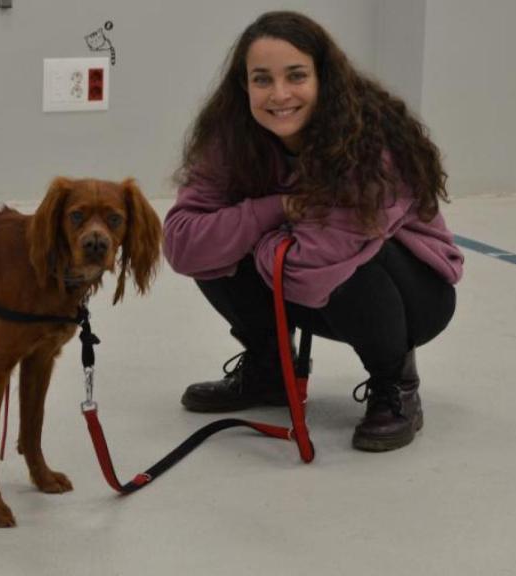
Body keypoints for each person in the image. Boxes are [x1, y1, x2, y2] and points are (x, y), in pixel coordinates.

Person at [163, 10, 463, 452]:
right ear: (244, 86)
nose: (279, 94)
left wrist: (249, 233)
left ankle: (394, 383)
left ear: (323, 78)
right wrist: (279, 208)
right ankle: (270, 372)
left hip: (412, 294)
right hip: (299, 284)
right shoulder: (230, 138)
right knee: (215, 250)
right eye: (262, 79)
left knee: (348, 261)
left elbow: (310, 263)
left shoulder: (370, 137)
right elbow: (184, 243)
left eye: (296, 76)